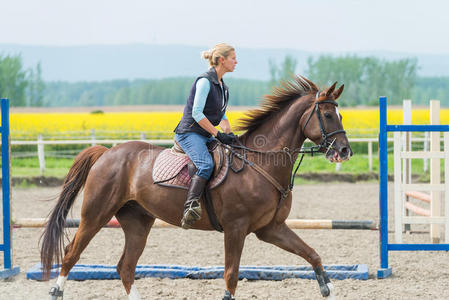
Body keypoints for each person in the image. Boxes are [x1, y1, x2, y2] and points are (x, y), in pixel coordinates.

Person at [174, 43, 237, 229]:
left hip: (206, 134)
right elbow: (197, 113)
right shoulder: (204, 81)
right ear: (222, 60)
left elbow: (222, 115)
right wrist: (217, 133)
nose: (236, 61)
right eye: (233, 58)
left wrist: (230, 135)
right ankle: (190, 206)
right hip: (189, 134)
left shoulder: (222, 86)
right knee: (205, 164)